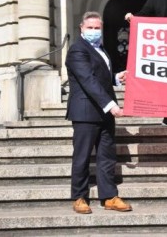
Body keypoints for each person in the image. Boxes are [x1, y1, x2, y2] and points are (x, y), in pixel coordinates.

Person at [66, 11, 132, 214]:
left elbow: (100, 76)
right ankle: (79, 197)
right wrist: (111, 104)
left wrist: (115, 78)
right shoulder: (77, 50)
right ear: (82, 29)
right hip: (86, 112)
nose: (94, 31)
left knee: (107, 156)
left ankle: (109, 196)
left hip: (104, 114)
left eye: (97, 28)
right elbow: (88, 80)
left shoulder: (101, 49)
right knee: (82, 156)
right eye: (90, 28)